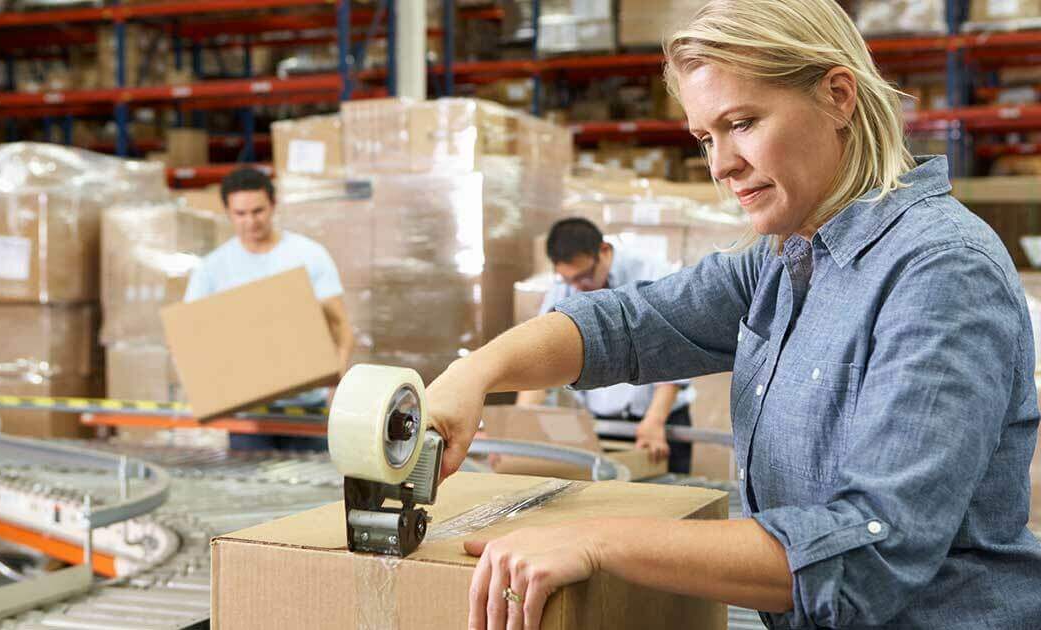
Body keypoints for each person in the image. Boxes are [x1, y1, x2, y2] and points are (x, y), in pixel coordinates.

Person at [424, 1, 1041, 628]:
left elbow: (869, 549)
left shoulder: (940, 271)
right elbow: (626, 325)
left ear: (837, 97)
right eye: (705, 138)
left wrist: (596, 540)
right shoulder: (784, 257)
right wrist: (476, 374)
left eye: (742, 123)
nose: (720, 166)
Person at [184, 167, 353, 452]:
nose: (250, 221)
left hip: (307, 406)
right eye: (240, 214)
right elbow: (192, 337)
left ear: (273, 206)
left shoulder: (308, 255)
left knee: (314, 491)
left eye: (258, 211)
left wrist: (336, 380)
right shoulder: (212, 269)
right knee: (253, 490)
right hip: (247, 409)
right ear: (227, 211)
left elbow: (341, 327)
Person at [516, 218, 694, 471]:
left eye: (585, 276)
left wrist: (655, 419)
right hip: (601, 424)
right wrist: (517, 426)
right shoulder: (565, 289)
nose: (579, 286)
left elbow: (676, 353)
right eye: (570, 280)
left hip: (658, 420)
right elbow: (542, 356)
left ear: (604, 251)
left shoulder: (652, 275)